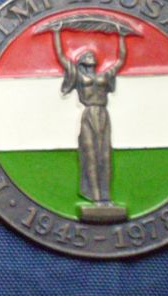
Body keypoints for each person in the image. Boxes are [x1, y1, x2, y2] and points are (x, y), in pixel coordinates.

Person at [52, 27, 127, 204]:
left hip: (103, 114)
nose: (90, 55)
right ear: (81, 62)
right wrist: (56, 33)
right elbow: (61, 56)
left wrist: (122, 36)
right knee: (91, 155)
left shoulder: (105, 75)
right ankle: (95, 196)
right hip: (88, 114)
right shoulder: (78, 76)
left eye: (91, 55)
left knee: (105, 155)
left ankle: (106, 196)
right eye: (86, 55)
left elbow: (121, 60)